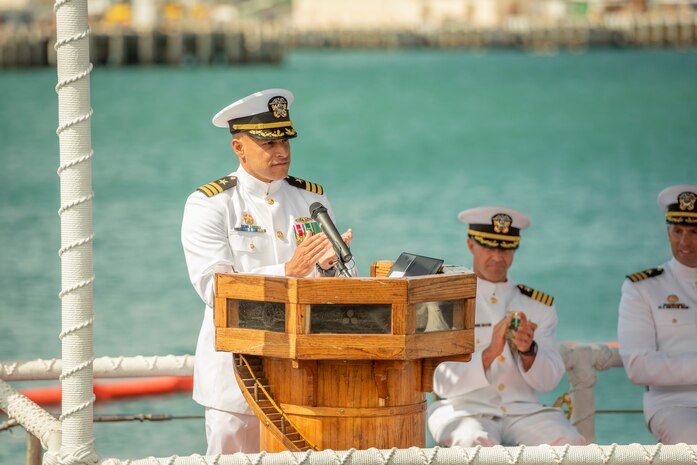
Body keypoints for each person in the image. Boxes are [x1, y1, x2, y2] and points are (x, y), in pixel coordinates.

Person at [181, 88, 353, 454]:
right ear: (238, 147)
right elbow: (215, 289)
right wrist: (287, 271)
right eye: (268, 142)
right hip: (236, 378)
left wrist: (327, 269)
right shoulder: (211, 204)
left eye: (286, 140)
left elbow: (338, 285)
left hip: (303, 377)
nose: (282, 151)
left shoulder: (311, 199)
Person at [427, 206, 587, 447]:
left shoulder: (537, 305)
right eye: (489, 246)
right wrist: (489, 353)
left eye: (505, 248)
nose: (498, 256)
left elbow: (548, 381)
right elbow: (438, 381)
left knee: (571, 444)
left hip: (522, 411)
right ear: (471, 245)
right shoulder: (448, 301)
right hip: (463, 409)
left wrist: (528, 351)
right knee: (473, 442)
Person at [617, 184, 697, 444]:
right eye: (678, 231)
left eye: (694, 232)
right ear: (667, 232)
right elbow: (637, 366)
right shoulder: (642, 288)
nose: (685, 241)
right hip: (674, 405)